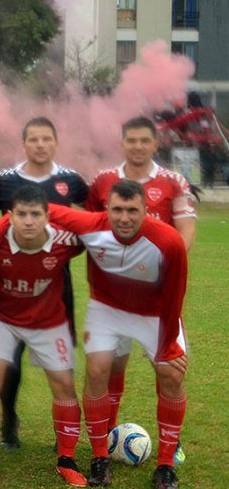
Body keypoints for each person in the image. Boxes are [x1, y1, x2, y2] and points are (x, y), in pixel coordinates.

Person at [47, 181, 189, 489]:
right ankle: (100, 457)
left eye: (132, 211)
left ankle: (165, 465)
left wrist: (167, 347)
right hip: (108, 309)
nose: (124, 218)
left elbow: (175, 297)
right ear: (106, 210)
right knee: (97, 369)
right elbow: (42, 210)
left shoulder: (168, 242)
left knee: (171, 374)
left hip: (155, 311)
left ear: (145, 211)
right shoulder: (91, 225)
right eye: (117, 210)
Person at [86, 116, 197, 435]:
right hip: (112, 296)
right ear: (121, 143)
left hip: (157, 297)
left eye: (144, 140)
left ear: (155, 143)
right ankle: (107, 430)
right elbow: (93, 229)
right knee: (110, 367)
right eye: (131, 140)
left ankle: (171, 443)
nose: (137, 146)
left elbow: (185, 233)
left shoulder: (174, 181)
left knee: (169, 369)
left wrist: (159, 265)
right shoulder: (103, 181)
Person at [0, 116, 89, 449]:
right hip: (9, 280)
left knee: (58, 363)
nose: (40, 145)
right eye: (34, 139)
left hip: (55, 282)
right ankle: (9, 420)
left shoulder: (70, 180)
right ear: (24, 143)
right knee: (8, 364)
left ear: (56, 142)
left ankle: (64, 435)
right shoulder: (6, 181)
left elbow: (91, 221)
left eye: (47, 139)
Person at [0, 186, 87, 487]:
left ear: (48, 216)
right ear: (10, 216)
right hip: (1, 318)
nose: (29, 220)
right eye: (21, 214)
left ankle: (66, 460)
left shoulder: (65, 241)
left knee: (63, 383)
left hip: (48, 321)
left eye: (36, 214)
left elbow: (92, 231)